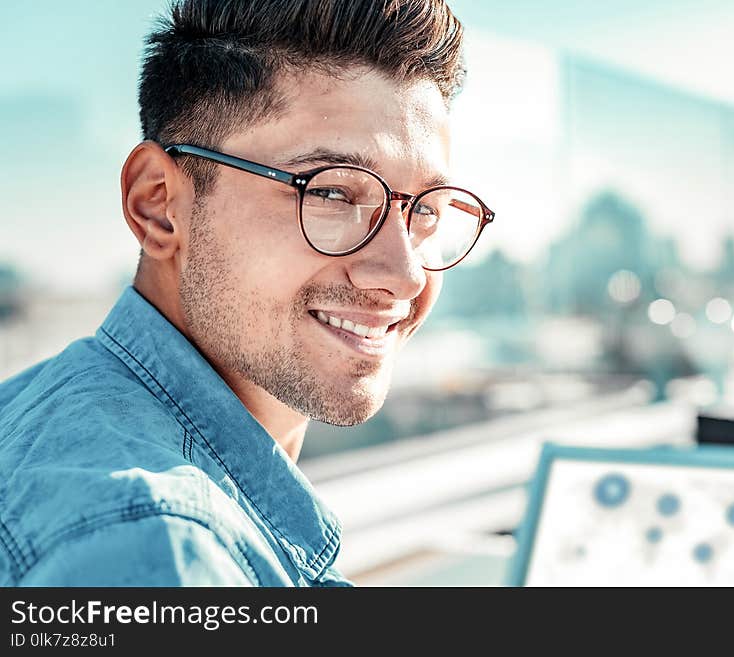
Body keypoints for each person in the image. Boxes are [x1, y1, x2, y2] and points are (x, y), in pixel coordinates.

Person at [0, 0, 493, 586]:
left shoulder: (40, 409)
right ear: (158, 204)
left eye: (426, 210)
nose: (405, 275)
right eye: (332, 194)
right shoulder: (158, 547)